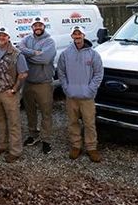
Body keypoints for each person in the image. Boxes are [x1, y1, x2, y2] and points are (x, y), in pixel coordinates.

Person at [56, 24, 104, 162]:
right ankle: (76, 146)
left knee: (89, 123)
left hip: (87, 97)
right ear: (72, 36)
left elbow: (98, 74)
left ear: (83, 35)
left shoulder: (93, 54)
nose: (77, 37)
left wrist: (91, 90)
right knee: (73, 122)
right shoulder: (65, 54)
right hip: (71, 96)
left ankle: (91, 147)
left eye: (79, 34)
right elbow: (61, 72)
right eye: (75, 34)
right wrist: (66, 88)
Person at [0, 27, 28, 161]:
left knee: (14, 122)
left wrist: (14, 89)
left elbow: (23, 74)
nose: (1, 38)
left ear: (8, 37)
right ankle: (2, 145)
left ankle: (16, 151)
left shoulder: (16, 54)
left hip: (9, 93)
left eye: (4, 35)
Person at [22, 16, 56, 152]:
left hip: (44, 83)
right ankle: (32, 134)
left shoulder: (50, 41)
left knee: (45, 113)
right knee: (30, 111)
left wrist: (28, 57)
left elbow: (44, 58)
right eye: (35, 25)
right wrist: (33, 52)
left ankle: (46, 139)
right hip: (28, 82)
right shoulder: (27, 39)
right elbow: (20, 49)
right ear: (32, 27)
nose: (37, 27)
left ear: (44, 27)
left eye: (40, 25)